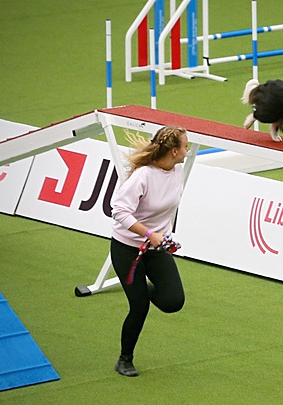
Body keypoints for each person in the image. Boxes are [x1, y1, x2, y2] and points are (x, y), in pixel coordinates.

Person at [109, 126, 188, 377]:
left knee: (173, 302)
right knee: (139, 306)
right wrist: (149, 234)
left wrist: (163, 236)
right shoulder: (142, 176)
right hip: (127, 249)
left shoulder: (178, 168)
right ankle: (125, 359)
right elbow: (119, 211)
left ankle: (143, 289)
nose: (188, 149)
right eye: (185, 146)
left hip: (157, 248)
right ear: (174, 151)